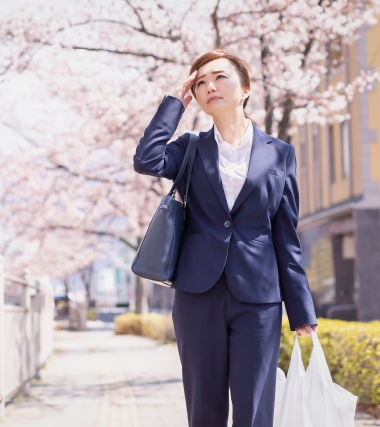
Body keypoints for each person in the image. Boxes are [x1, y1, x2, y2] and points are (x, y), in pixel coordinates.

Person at [133, 50, 318, 427]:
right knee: (204, 408)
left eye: (219, 77)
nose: (209, 86)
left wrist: (301, 310)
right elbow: (146, 160)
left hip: (259, 298)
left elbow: (286, 235)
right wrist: (175, 104)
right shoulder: (189, 148)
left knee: (254, 410)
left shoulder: (280, 154)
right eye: (200, 82)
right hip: (198, 294)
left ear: (245, 88)